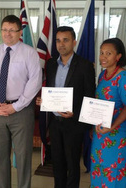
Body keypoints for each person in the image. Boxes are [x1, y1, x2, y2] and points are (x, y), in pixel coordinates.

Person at [0, 15, 42, 188]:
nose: (8, 34)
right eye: (4, 30)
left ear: (19, 32)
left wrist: (15, 106)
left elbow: (34, 82)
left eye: (12, 30)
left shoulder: (29, 53)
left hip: (21, 111)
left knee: (22, 157)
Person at [36, 26, 96, 188]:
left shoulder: (85, 66)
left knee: (72, 166)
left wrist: (75, 114)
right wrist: (44, 101)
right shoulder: (50, 65)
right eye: (58, 40)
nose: (61, 44)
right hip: (55, 123)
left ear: (74, 42)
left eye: (66, 40)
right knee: (57, 163)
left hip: (73, 124)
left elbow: (90, 96)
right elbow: (50, 91)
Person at [90, 38, 126, 187]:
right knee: (98, 169)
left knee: (114, 172)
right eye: (102, 53)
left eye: (108, 53)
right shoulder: (103, 75)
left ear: (118, 56)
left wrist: (113, 126)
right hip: (100, 133)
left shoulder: (125, 78)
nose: (103, 57)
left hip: (117, 133)